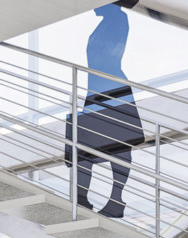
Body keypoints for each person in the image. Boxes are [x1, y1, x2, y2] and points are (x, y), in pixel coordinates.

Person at [66, 3, 144, 219]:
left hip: (112, 89)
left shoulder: (117, 19)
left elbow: (106, 56)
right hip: (97, 89)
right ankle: (81, 196)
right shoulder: (106, 22)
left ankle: (115, 199)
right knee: (85, 145)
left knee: (118, 144)